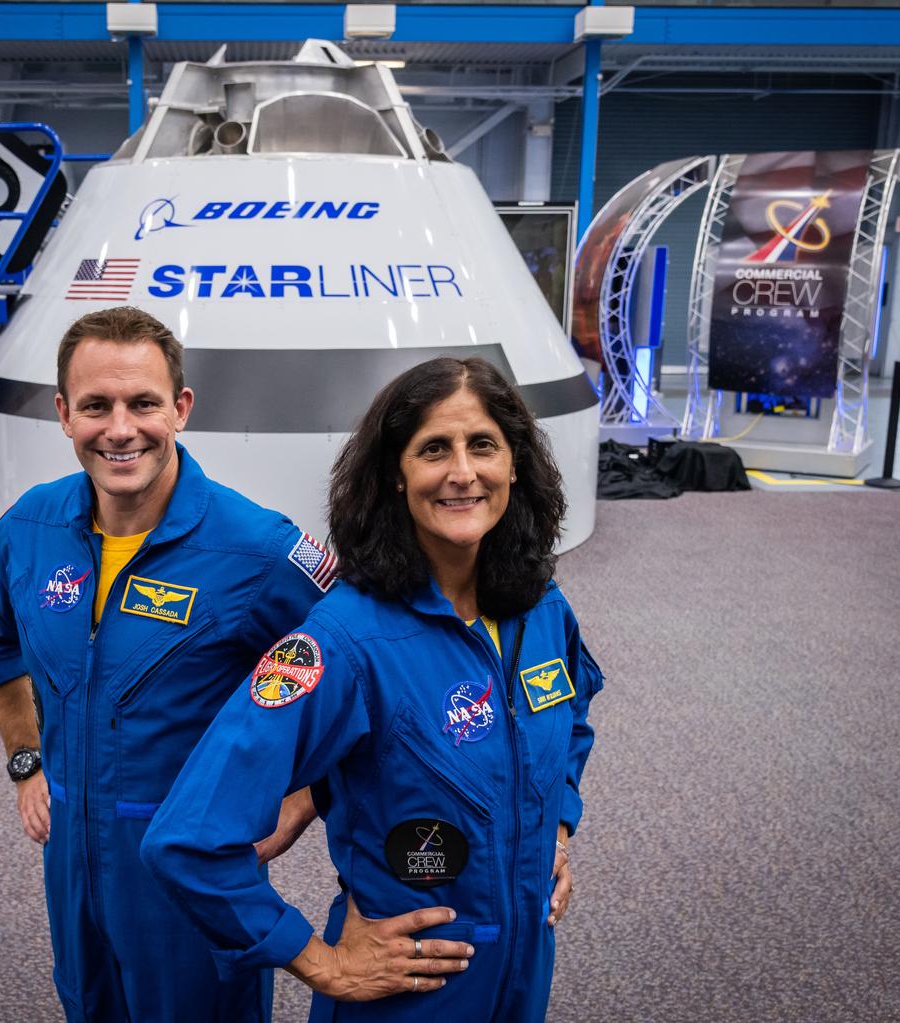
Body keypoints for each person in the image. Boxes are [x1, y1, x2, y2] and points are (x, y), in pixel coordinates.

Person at [141, 355, 604, 1021]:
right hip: (403, 993)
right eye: (433, 449)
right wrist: (317, 959)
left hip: (523, 973)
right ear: (395, 473)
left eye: (483, 446)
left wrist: (553, 829)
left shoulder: (541, 610)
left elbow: (571, 720)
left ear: (515, 464)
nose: (462, 472)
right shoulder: (342, 641)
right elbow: (186, 836)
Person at [0, 306, 330, 1022]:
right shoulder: (27, 531)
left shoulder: (256, 550)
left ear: (181, 409)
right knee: (88, 1004)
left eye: (144, 403)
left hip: (193, 870)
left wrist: (300, 801)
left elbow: (359, 674)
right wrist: (25, 762)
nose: (121, 428)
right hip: (73, 861)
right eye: (97, 405)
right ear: (64, 414)